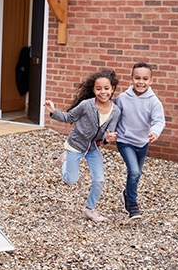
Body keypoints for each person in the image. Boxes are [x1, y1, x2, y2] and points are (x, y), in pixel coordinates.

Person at [44, 69, 121, 222]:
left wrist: (108, 139)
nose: (102, 92)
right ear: (93, 90)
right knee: (71, 180)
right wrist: (53, 111)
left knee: (99, 180)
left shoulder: (115, 111)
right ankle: (65, 161)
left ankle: (89, 209)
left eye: (106, 88)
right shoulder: (86, 105)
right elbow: (69, 117)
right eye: (98, 88)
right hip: (75, 145)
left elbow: (107, 135)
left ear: (112, 89)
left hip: (93, 148)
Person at [114, 62, 165, 221]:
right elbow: (113, 116)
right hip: (124, 140)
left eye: (145, 79)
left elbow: (159, 120)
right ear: (131, 79)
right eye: (137, 78)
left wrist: (155, 132)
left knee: (136, 174)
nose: (140, 82)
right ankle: (132, 206)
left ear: (151, 81)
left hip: (142, 143)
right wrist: (108, 134)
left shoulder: (153, 101)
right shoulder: (122, 98)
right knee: (134, 171)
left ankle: (127, 193)